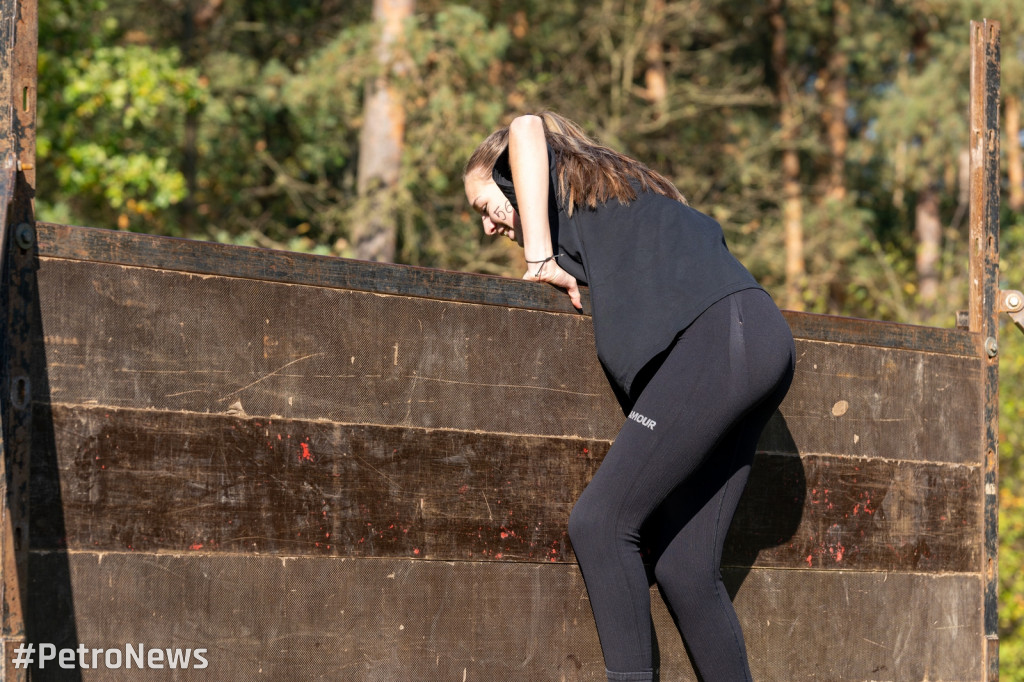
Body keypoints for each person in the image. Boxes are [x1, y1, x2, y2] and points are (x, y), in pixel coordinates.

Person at [463, 111, 795, 682]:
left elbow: (523, 125)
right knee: (686, 567)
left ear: (509, 174)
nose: (489, 228)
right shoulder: (615, 202)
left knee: (599, 522)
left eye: (483, 204)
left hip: (720, 338)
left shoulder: (558, 182)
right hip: (760, 337)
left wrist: (539, 257)